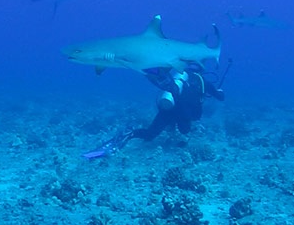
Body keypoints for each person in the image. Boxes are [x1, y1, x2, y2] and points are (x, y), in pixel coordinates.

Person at [82, 66, 226, 158]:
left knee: (150, 135)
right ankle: (173, 129)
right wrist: (219, 92)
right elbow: (220, 98)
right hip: (183, 113)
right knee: (185, 130)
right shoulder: (202, 81)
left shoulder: (178, 76)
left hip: (167, 110)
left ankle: (129, 133)